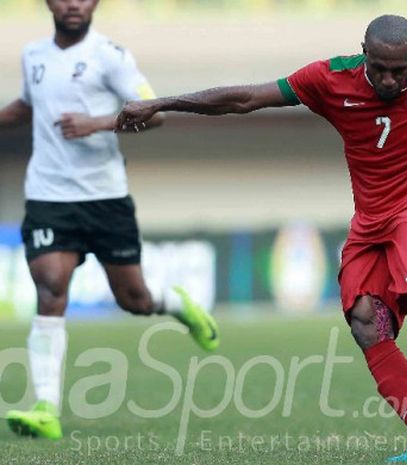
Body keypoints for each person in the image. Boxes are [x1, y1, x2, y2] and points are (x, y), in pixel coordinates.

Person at [117, 14, 407, 462]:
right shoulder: (328, 79)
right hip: (370, 222)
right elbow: (244, 99)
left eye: (399, 70)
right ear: (364, 52)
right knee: (364, 321)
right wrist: (161, 103)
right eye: (379, 67)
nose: (389, 79)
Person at [0, 0, 220, 440]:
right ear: (48, 3)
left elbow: (151, 112)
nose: (74, 4)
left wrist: (97, 123)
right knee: (50, 288)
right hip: (48, 196)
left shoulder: (110, 56)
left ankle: (176, 304)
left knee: (134, 299)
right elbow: (27, 106)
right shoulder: (34, 56)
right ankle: (45, 407)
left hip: (105, 199)